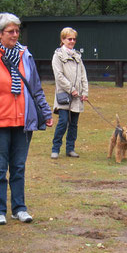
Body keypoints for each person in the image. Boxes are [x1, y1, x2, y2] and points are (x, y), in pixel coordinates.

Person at [0, 12, 53, 225]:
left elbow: (35, 88)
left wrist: (45, 112)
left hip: (23, 123)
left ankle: (19, 208)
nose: (15, 35)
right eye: (10, 31)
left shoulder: (26, 55)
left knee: (18, 167)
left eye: (17, 31)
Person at [50, 27, 89, 159]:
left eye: (73, 39)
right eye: (69, 39)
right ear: (63, 39)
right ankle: (55, 148)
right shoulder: (57, 56)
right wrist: (71, 89)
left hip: (77, 97)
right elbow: (59, 76)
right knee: (63, 122)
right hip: (64, 96)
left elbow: (83, 75)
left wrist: (84, 92)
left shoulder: (78, 56)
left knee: (74, 124)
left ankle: (70, 149)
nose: (72, 41)